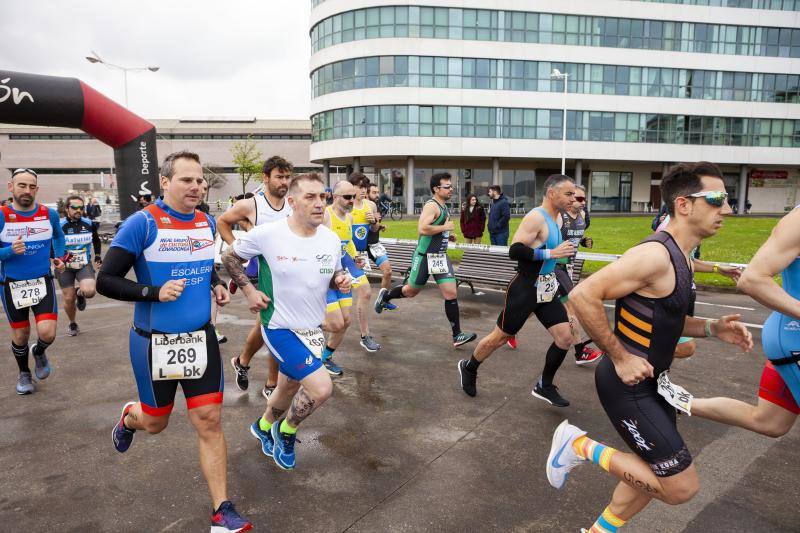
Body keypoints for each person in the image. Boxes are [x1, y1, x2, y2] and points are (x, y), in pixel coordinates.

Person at [546, 162, 752, 532]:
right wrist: (620, 357)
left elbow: (667, 321)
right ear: (684, 205)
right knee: (679, 488)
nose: (727, 209)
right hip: (628, 387)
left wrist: (711, 327)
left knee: (647, 477)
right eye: (718, 199)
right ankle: (577, 446)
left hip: (654, 383)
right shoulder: (655, 255)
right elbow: (582, 294)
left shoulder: (682, 257)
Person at [100, 151, 251, 532]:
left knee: (209, 419)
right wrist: (153, 292)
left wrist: (215, 285)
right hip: (154, 343)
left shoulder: (207, 222)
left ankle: (222, 510)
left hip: (200, 339)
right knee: (156, 423)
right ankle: (130, 418)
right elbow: (106, 280)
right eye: (187, 180)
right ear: (165, 183)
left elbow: (203, 266)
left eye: (200, 180)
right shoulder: (141, 224)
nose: (197, 186)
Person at [222, 172, 350, 471]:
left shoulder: (330, 240)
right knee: (321, 389)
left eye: (323, 196)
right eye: (310, 197)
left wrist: (339, 279)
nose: (320, 203)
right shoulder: (268, 234)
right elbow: (230, 258)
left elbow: (331, 274)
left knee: (289, 387)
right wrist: (249, 290)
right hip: (279, 327)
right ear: (292, 202)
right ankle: (287, 430)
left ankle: (264, 427)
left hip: (312, 329)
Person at [457, 175, 578, 404]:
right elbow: (515, 250)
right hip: (525, 287)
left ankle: (545, 385)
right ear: (552, 193)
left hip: (546, 287)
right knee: (500, 337)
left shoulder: (559, 218)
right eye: (569, 194)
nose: (574, 198)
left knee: (564, 337)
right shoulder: (536, 217)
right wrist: (551, 254)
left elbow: (552, 255)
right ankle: (469, 367)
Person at [691, 204, 800, 438]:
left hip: (788, 337)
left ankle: (674, 402)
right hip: (794, 339)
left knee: (770, 421)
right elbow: (752, 279)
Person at [219, 156, 293, 399]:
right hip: (265, 274)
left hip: (288, 273)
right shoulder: (252, 205)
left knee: (264, 326)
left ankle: (242, 361)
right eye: (279, 177)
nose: (284, 182)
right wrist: (238, 249)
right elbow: (223, 222)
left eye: (287, 177)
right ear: (266, 178)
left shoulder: (292, 205)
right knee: (276, 325)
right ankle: (271, 383)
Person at [375, 172, 477, 348]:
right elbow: (423, 228)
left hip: (440, 257)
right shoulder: (432, 205)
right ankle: (386, 296)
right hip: (424, 258)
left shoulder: (443, 206)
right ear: (436, 189)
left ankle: (457, 335)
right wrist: (445, 226)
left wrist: (447, 234)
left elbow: (436, 229)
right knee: (410, 291)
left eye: (451, 186)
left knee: (451, 293)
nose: (451, 189)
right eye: (447, 186)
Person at [0, 168, 67, 395]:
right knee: (21, 335)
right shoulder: (2, 215)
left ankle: (38, 351)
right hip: (11, 284)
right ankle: (24, 373)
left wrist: (58, 257)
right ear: (11, 187)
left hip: (42, 281)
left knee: (47, 333)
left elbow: (58, 236)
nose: (27, 191)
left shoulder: (49, 214)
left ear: (37, 189)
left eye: (31, 186)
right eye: (22, 185)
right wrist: (9, 251)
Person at [322, 179, 380, 367]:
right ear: (335, 197)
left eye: (353, 197)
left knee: (345, 321)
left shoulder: (349, 217)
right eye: (347, 197)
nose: (351, 201)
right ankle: (301, 326)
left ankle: (325, 357)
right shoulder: (325, 215)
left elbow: (349, 242)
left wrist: (355, 257)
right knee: (335, 323)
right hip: (327, 271)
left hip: (345, 265)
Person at [551, 184, 604, 364]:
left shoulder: (581, 217)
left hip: (569, 267)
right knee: (572, 305)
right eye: (579, 199)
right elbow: (550, 238)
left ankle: (509, 329)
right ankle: (580, 350)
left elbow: (573, 236)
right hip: (556, 266)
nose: (582, 203)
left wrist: (583, 241)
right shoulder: (560, 217)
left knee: (537, 303)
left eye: (584, 199)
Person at [347, 172, 382, 352]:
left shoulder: (370, 204)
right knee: (339, 312)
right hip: (342, 256)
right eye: (359, 187)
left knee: (365, 293)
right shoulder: (345, 206)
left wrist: (374, 221)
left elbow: (374, 229)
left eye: (364, 187)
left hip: (359, 256)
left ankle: (365, 334)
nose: (363, 190)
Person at [58, 195, 102, 336]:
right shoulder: (59, 225)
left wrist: (97, 256)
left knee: (90, 292)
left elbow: (96, 241)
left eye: (81, 208)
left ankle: (80, 293)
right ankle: (72, 323)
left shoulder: (89, 223)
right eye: (74, 207)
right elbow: (52, 247)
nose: (78, 210)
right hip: (65, 266)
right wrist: (57, 261)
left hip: (83, 263)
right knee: (69, 299)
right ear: (66, 208)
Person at [367, 182, 395, 293]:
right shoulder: (359, 207)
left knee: (388, 271)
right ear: (366, 194)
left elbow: (373, 227)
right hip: (359, 247)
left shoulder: (377, 206)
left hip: (374, 244)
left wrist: (379, 226)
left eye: (378, 192)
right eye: (374, 192)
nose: (377, 195)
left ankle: (384, 298)